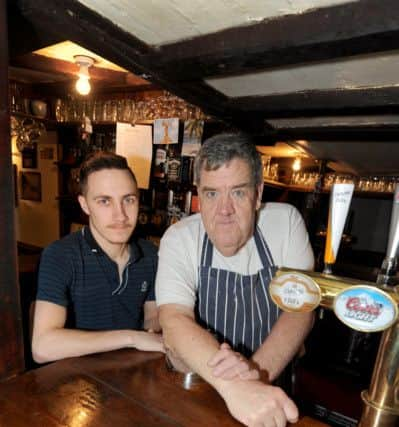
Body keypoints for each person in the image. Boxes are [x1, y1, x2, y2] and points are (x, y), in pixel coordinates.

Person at [156, 133, 314, 427]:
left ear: (258, 194)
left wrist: (254, 379)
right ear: (199, 195)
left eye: (238, 192)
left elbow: (301, 309)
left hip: (270, 384)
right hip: (201, 388)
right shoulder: (179, 238)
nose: (224, 211)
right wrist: (234, 387)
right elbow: (174, 319)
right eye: (212, 194)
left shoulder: (287, 223)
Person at [32, 151, 164, 363]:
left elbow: (152, 316)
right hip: (75, 385)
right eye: (104, 201)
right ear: (85, 205)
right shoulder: (60, 256)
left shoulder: (150, 254)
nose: (120, 215)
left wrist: (153, 328)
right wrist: (131, 338)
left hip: (131, 374)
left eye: (128, 200)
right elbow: (42, 347)